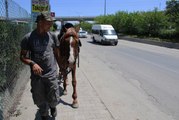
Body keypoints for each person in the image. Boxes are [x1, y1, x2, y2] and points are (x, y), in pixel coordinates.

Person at [20, 12, 60, 120]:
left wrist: (62, 68)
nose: (51, 25)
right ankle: (44, 115)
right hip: (37, 76)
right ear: (40, 22)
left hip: (51, 74)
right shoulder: (28, 38)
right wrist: (33, 63)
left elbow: (57, 54)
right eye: (49, 23)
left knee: (54, 98)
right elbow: (22, 57)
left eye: (52, 23)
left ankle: (52, 106)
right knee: (39, 99)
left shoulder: (52, 36)